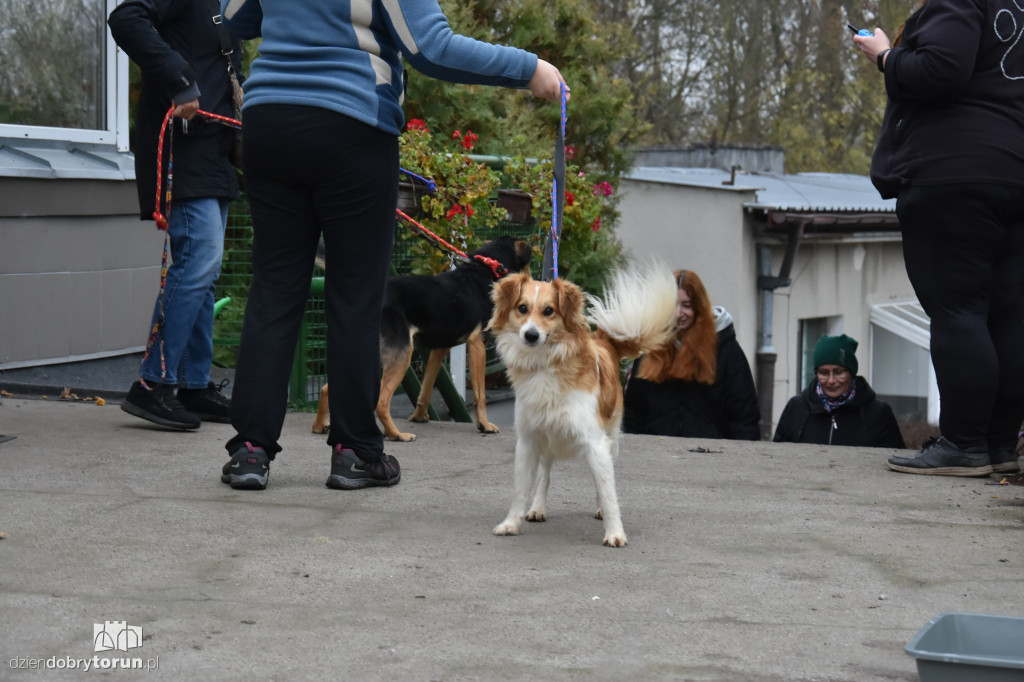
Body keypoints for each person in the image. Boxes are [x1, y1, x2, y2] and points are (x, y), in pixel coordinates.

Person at [217, 0, 569, 491]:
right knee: (357, 295)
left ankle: (250, 452)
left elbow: (235, 18)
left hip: (269, 122)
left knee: (274, 288)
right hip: (350, 123)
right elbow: (430, 47)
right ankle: (355, 452)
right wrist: (529, 68)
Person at [853, 1, 1024, 476]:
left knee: (958, 312)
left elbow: (942, 68)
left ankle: (965, 445)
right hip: (1013, 173)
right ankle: (999, 446)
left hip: (952, 175)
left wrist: (886, 56)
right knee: (1007, 316)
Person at [108, 0, 240, 430]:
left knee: (205, 271)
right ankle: (152, 385)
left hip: (213, 152)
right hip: (180, 150)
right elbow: (125, 18)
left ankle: (193, 385)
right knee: (197, 263)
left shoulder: (227, 9)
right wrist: (180, 80)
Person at [622, 269, 760, 440]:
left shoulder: (727, 351)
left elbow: (744, 417)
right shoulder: (651, 348)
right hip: (657, 457)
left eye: (686, 305)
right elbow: (633, 412)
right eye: (674, 305)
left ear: (699, 307)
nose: (679, 314)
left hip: (713, 459)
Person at [773, 335, 906, 448]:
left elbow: (894, 459)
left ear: (851, 373)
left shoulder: (878, 413)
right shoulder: (796, 408)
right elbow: (778, 457)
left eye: (838, 372)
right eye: (824, 373)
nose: (831, 380)